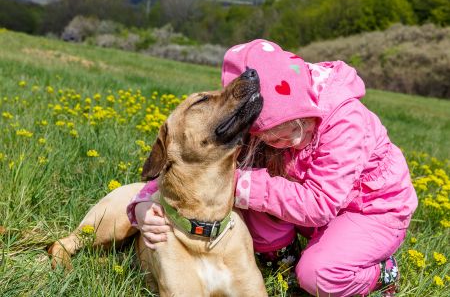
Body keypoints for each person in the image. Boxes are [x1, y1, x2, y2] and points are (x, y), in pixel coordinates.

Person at [126, 39, 418, 296]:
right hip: (312, 206)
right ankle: (284, 269)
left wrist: (243, 185)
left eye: (297, 126)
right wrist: (141, 207)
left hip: (369, 211)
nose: (291, 139)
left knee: (318, 276)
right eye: (272, 135)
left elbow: (320, 204)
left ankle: (381, 273)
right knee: (257, 210)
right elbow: (185, 170)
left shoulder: (346, 122)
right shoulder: (258, 132)